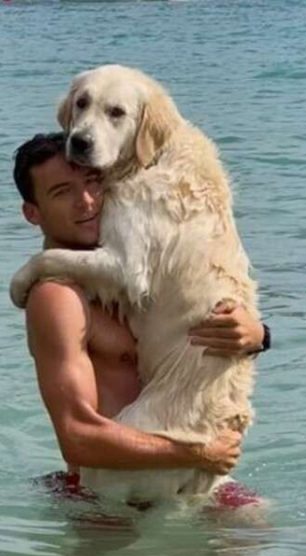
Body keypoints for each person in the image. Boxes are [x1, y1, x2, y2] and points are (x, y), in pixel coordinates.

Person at [12, 133, 268, 505]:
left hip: (184, 478)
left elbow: (191, 337)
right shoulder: (58, 298)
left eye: (93, 183)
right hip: (113, 501)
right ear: (32, 213)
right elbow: (77, 434)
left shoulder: (132, 277)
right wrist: (196, 453)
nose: (86, 202)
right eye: (62, 192)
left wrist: (256, 335)